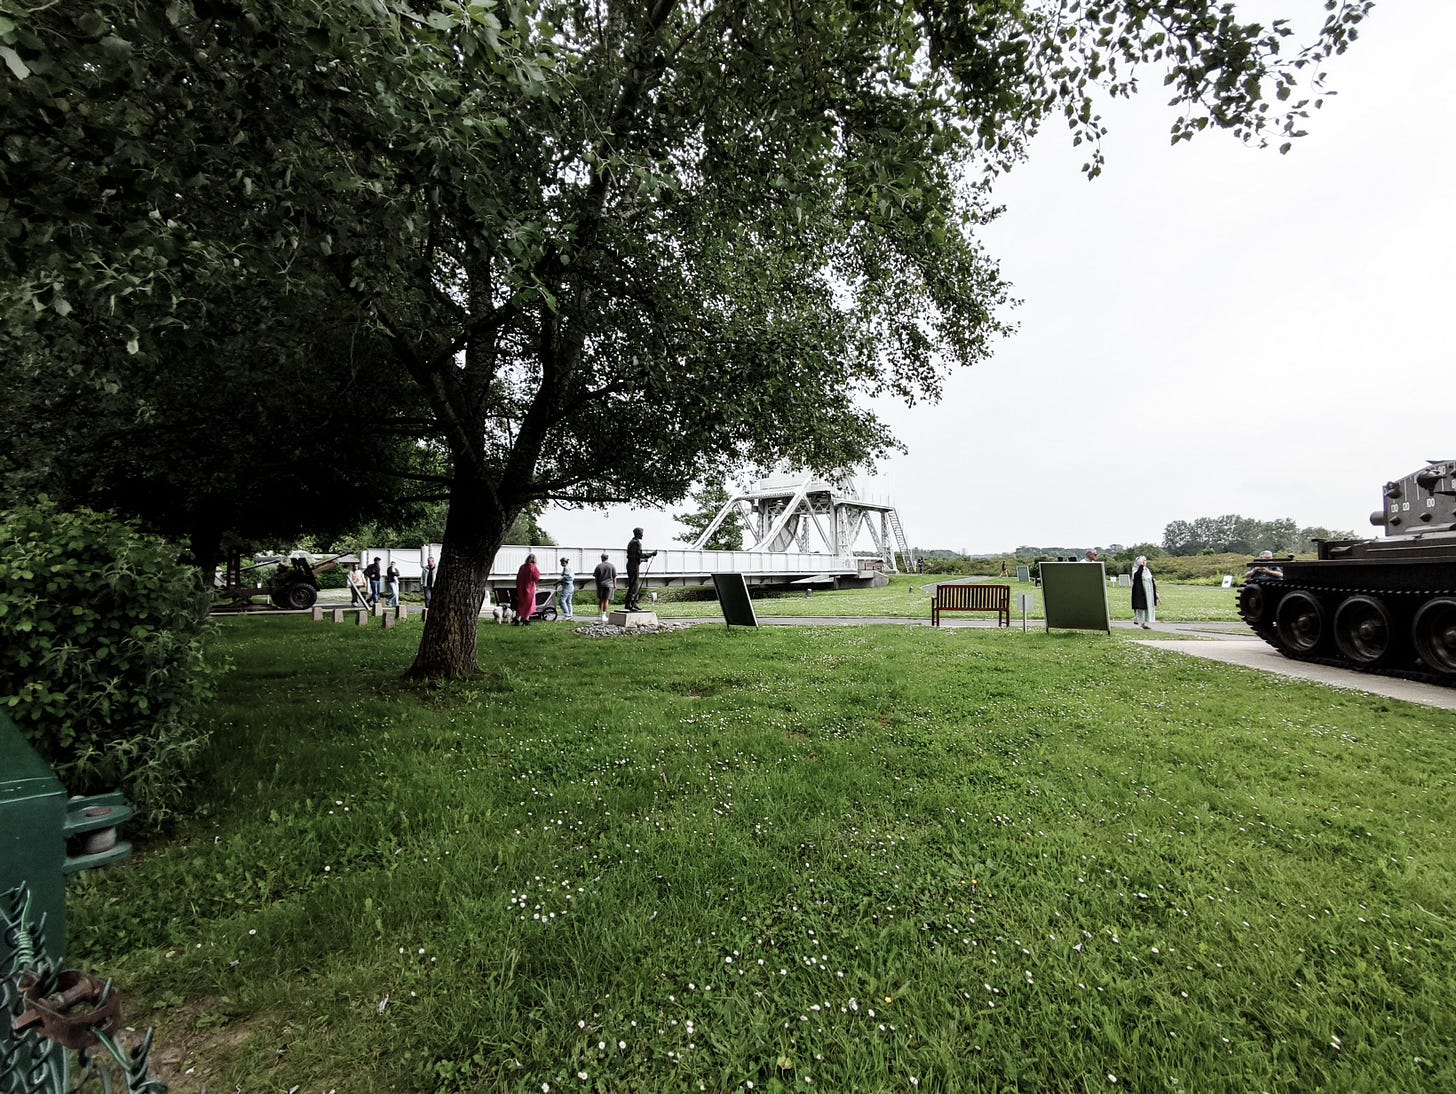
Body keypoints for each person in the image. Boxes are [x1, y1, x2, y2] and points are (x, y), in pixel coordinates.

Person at [624, 527, 657, 612]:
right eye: (642, 533)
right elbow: (639, 555)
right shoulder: (636, 543)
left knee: (634, 585)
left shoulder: (631, 542)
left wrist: (642, 560)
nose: (643, 535)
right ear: (639, 534)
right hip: (633, 566)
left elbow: (634, 556)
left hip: (632, 564)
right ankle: (629, 604)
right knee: (634, 585)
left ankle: (633, 603)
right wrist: (651, 554)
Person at [1131, 555, 1158, 629]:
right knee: (1140, 608)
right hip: (1140, 591)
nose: (1145, 562)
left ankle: (1143, 623)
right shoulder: (1136, 570)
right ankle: (1139, 623)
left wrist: (1155, 592)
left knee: (1146, 607)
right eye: (1143, 561)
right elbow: (1137, 576)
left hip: (1148, 591)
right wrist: (1141, 566)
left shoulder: (1147, 570)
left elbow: (1151, 580)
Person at [514, 553, 540, 625]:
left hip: (520, 588)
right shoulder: (533, 567)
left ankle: (517, 619)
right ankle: (526, 619)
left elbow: (518, 577)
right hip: (529, 588)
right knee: (529, 604)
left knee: (521, 604)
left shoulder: (522, 567)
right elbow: (536, 577)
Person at [593, 552, 616, 622]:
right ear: (607, 558)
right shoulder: (611, 566)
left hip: (600, 585)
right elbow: (614, 576)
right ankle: (604, 615)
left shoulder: (599, 566)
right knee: (606, 600)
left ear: (601, 558)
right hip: (609, 585)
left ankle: (600, 615)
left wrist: (597, 585)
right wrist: (615, 585)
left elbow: (596, 577)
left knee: (601, 600)